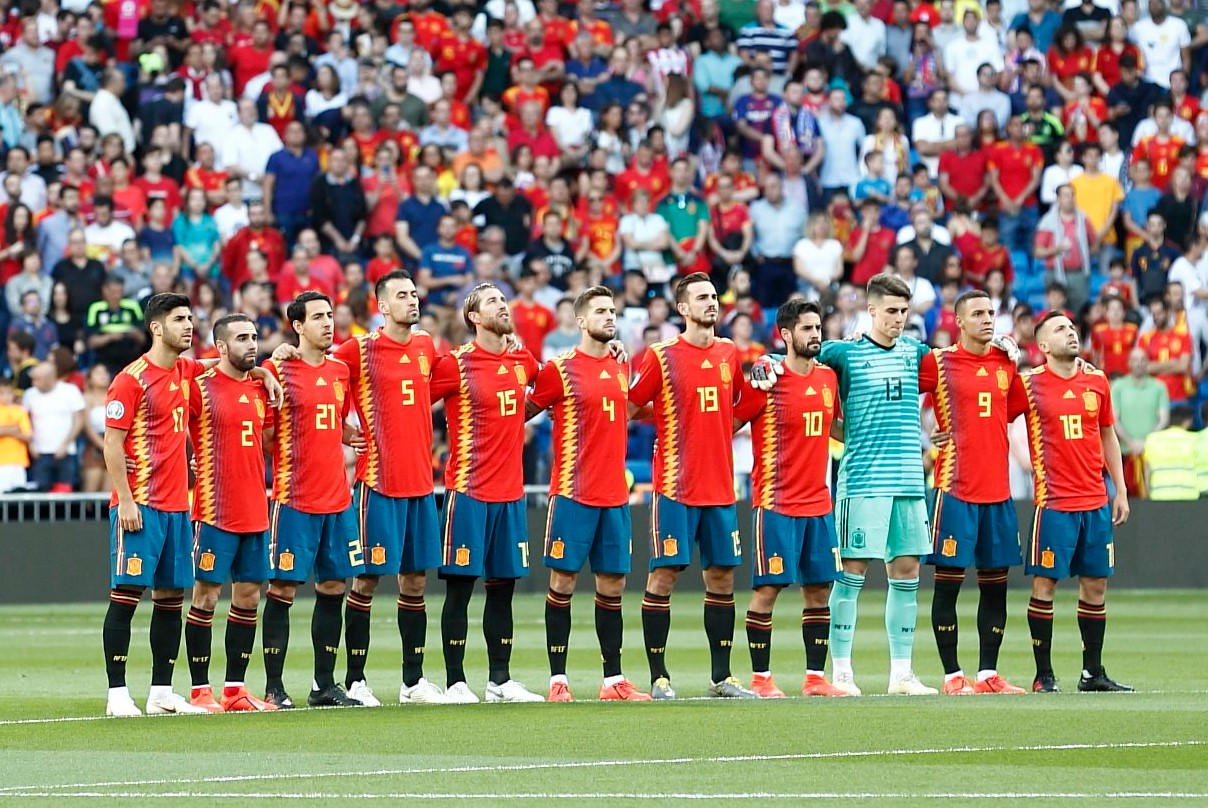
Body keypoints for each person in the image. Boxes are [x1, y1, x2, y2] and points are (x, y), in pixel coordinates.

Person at [760, 273, 938, 696]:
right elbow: (796, 363)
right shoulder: (844, 353)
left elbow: (958, 372)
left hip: (910, 479)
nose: (898, 319)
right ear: (871, 310)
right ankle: (840, 671)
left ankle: (902, 674)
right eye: (891, 311)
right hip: (863, 480)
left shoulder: (916, 352)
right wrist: (763, 363)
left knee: (907, 571)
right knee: (852, 572)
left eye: (904, 311)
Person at [627, 272, 758, 700]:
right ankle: (659, 677)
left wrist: (761, 387)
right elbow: (630, 405)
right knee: (663, 577)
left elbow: (734, 411)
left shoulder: (728, 352)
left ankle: (721, 677)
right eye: (702, 297)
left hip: (720, 488)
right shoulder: (661, 355)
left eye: (714, 296)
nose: (712, 303)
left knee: (721, 578)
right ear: (682, 309)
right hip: (675, 488)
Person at [525, 286, 651, 702]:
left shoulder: (620, 364)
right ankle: (557, 680)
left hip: (614, 494)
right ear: (580, 321)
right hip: (573, 492)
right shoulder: (559, 368)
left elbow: (632, 408)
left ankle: (613, 681)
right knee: (562, 581)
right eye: (600, 311)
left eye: (612, 310)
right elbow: (523, 412)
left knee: (612, 585)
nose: (609, 316)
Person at [330, 271, 446, 705]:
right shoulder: (358, 349)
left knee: (414, 583)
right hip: (378, 482)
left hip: (420, 483)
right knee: (366, 580)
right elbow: (321, 379)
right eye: (401, 295)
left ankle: (413, 682)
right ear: (382, 306)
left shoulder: (425, 345)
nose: (411, 300)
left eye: (414, 293)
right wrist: (344, 432)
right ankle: (356, 679)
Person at [429, 283, 544, 704]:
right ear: (474, 317)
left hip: (510, 494)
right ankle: (456, 681)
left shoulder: (521, 359)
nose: (503, 306)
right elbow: (411, 403)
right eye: (494, 301)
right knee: (460, 588)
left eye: (504, 300)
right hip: (469, 492)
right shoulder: (455, 364)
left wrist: (615, 353)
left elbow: (553, 384)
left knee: (503, 588)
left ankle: (500, 680)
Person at [100, 293, 213, 717]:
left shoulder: (186, 370)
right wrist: (125, 500)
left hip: (176, 508)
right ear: (157, 327)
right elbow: (112, 443)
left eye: (190, 318)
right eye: (180, 319)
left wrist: (263, 365)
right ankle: (116, 694)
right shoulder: (130, 380)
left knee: (170, 599)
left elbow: (220, 366)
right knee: (126, 595)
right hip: (140, 506)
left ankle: (162, 692)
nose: (189, 325)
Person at [732, 299, 847, 698]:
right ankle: (761, 679)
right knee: (768, 590)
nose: (815, 335)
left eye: (818, 328)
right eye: (807, 329)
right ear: (786, 334)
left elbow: (835, 429)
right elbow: (729, 422)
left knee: (819, 590)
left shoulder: (829, 378)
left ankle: (815, 678)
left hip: (819, 503)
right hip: (776, 502)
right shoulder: (768, 378)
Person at [919, 291, 1028, 695]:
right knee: (947, 583)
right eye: (977, 314)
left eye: (990, 312)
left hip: (997, 492)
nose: (987, 319)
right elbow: (894, 394)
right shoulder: (938, 362)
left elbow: (1009, 410)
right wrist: (925, 436)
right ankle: (951, 676)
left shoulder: (1006, 362)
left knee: (995, 584)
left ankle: (987, 674)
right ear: (959, 321)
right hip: (955, 488)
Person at [260, 291, 364, 709]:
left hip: (338, 498)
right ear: (298, 326)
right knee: (282, 589)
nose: (328, 323)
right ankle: (274, 687)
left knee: (334, 586)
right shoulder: (276, 369)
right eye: (317, 317)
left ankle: (324, 685)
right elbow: (267, 436)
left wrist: (343, 436)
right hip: (294, 498)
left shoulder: (341, 370)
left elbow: (335, 421)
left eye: (330, 315)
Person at [1020, 311, 1132, 693]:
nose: (1070, 332)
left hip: (1095, 500)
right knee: (1045, 585)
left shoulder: (1097, 380)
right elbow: (990, 413)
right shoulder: (1028, 383)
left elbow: (1108, 436)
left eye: (1071, 327)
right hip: (1054, 503)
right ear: (1043, 346)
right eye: (1059, 329)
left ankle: (1092, 673)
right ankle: (1043, 674)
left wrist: (1120, 488)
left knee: (1096, 585)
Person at [181, 314, 277, 713]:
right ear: (220, 346)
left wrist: (261, 372)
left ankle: (235, 689)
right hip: (214, 509)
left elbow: (270, 442)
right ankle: (200, 689)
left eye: (254, 337)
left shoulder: (259, 387)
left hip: (255, 506)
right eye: (241, 338)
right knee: (206, 595)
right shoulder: (198, 387)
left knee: (250, 596)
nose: (251, 344)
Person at [23, 361, 84, 492]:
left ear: (50, 378)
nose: (33, 383)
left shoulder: (70, 391)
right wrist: (30, 444)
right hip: (40, 453)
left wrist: (66, 444)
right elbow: (25, 420)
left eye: (38, 379)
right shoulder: (29, 394)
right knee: (41, 493)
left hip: (66, 452)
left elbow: (79, 420)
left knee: (65, 492)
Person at [1143, 404, 1199, 500]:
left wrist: (1148, 494)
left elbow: (1147, 471)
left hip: (1159, 494)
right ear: (1187, 422)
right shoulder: (1195, 439)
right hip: (1188, 494)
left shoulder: (1152, 439)